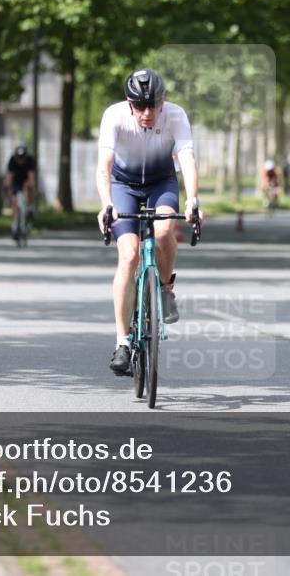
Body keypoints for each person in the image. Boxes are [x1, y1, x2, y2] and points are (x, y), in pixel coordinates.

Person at [95, 68, 202, 375]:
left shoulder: (176, 116)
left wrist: (193, 199)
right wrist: (107, 205)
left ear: (163, 101)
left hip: (161, 182)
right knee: (128, 255)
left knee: (166, 228)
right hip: (123, 185)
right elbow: (104, 166)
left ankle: (166, 289)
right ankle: (122, 343)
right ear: (129, 104)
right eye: (139, 106)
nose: (146, 112)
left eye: (152, 105)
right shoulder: (114, 116)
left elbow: (187, 158)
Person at [4, 144, 37, 240]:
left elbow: (31, 178)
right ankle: (15, 224)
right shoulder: (12, 161)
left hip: (26, 179)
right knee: (15, 200)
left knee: (30, 188)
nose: (21, 160)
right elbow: (9, 177)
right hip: (16, 180)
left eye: (23, 158)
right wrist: (7, 189)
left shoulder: (30, 161)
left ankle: (31, 207)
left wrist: (30, 187)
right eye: (19, 158)